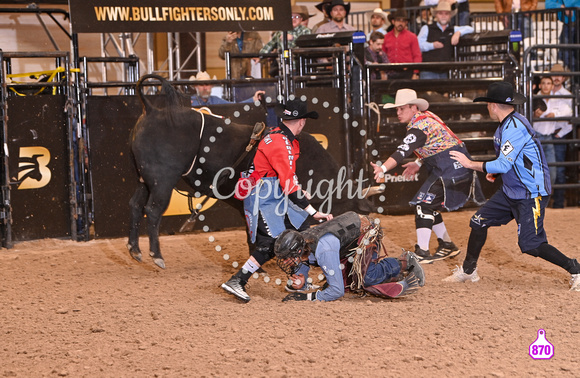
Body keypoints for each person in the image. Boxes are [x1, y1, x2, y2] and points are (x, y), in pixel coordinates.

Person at [443, 81, 580, 291]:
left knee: (531, 244)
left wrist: (471, 164)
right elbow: (511, 160)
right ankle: (469, 271)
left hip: (530, 192)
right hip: (511, 191)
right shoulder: (507, 124)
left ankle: (576, 269)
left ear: (492, 105)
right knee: (478, 221)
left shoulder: (514, 127)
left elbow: (504, 162)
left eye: (488, 103)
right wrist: (496, 172)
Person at [221, 99, 333, 302]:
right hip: (263, 195)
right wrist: (313, 211)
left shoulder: (280, 138)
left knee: (299, 226)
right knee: (272, 242)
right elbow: (288, 183)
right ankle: (238, 280)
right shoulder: (282, 144)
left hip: (272, 191)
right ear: (302, 122)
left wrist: (299, 193)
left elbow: (287, 176)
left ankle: (296, 279)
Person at [371, 89, 485, 263]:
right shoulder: (427, 117)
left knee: (423, 205)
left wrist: (382, 169)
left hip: (450, 168)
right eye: (397, 109)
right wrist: (418, 163)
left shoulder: (418, 128)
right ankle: (447, 245)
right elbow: (439, 143)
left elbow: (401, 151)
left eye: (402, 108)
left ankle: (422, 252)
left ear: (414, 107)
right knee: (428, 204)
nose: (398, 113)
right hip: (453, 166)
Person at [274, 211, 425, 302]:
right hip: (345, 240)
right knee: (346, 284)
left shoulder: (324, 250)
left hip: (364, 233)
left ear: (298, 251)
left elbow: (337, 291)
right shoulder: (302, 242)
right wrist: (302, 281)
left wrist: (308, 297)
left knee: (367, 279)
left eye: (288, 257)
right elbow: (304, 262)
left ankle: (405, 262)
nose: (286, 262)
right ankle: (391, 273)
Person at [532, 76, 572, 186]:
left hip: (549, 137)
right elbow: (525, 117)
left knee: (552, 173)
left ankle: (544, 199)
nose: (546, 86)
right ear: (540, 85)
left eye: (548, 83)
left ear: (552, 86)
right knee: (536, 171)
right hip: (536, 137)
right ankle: (537, 201)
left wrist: (555, 114)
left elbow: (569, 111)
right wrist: (534, 116)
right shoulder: (534, 98)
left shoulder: (556, 100)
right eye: (543, 83)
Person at [418, 2, 474, 80]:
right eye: (441, 13)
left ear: (450, 16)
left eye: (446, 13)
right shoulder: (426, 28)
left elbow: (470, 28)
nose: (443, 16)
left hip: (444, 72)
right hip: (428, 71)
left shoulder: (453, 29)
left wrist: (458, 33)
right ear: (436, 15)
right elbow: (418, 45)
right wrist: (432, 45)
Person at [550, 63, 574, 208]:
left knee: (559, 168)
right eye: (554, 75)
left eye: (559, 75)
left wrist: (561, 133)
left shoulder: (568, 96)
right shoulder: (545, 93)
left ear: (563, 78)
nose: (556, 77)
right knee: (548, 167)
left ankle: (558, 202)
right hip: (546, 133)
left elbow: (573, 119)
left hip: (558, 134)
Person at [382, 9, 422, 79]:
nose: (401, 23)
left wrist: (416, 72)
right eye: (398, 20)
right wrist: (383, 72)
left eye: (403, 21)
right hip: (390, 72)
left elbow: (417, 55)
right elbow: (382, 55)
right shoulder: (386, 37)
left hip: (407, 71)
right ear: (393, 21)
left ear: (406, 22)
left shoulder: (412, 37)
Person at [189, 71, 264, 107]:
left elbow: (234, 106)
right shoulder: (189, 102)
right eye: (201, 85)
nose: (205, 88)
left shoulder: (215, 100)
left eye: (207, 84)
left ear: (211, 86)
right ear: (196, 87)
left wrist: (253, 99)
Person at [545, 0, 579, 71]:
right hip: (569, 26)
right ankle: (571, 78)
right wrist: (562, 7)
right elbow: (548, 4)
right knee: (565, 55)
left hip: (573, 25)